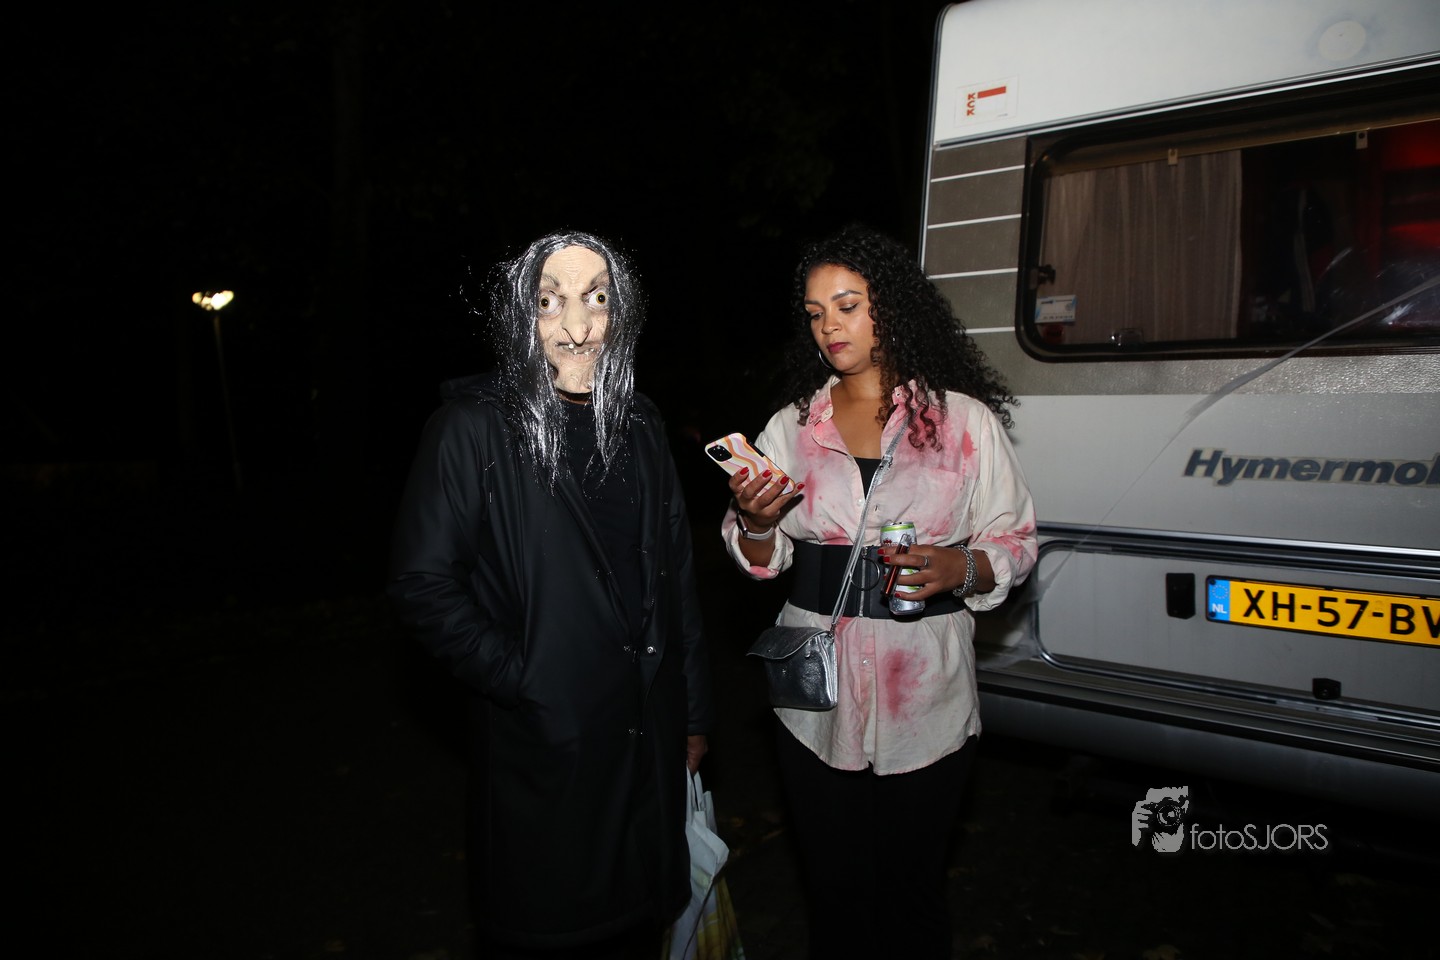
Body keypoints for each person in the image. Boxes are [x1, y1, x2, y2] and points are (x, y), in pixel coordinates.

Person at [388, 230, 713, 959]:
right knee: (554, 931)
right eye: (548, 302)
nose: (575, 326)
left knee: (638, 928)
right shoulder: (471, 428)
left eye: (597, 299)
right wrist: (524, 677)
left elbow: (675, 580)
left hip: (647, 744)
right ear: (519, 316)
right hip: (545, 755)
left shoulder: (643, 425)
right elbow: (422, 584)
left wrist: (692, 713)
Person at [721, 224, 1037, 958]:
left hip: (926, 691)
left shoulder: (962, 422)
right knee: (833, 893)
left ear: (888, 308)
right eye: (815, 313)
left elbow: (1016, 539)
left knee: (912, 892)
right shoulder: (792, 428)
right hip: (816, 697)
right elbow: (758, 559)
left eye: (847, 306)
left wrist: (963, 567)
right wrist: (756, 523)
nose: (829, 326)